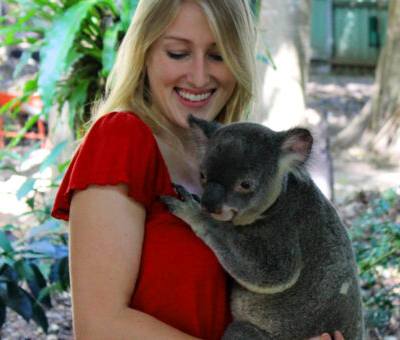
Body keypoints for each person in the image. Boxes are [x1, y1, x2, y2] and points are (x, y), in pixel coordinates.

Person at [51, 0, 344, 339]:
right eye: (178, 53)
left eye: (218, 56)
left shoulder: (232, 153)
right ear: (144, 51)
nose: (199, 76)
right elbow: (99, 327)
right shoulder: (121, 139)